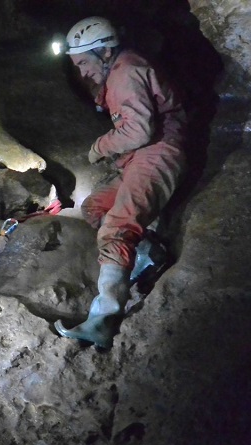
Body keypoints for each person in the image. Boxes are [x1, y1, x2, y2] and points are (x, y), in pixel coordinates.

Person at [54, 16, 187, 349]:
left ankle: (103, 321)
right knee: (95, 206)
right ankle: (149, 252)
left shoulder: (125, 71)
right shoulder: (118, 72)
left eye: (84, 62)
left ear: (105, 50)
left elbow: (139, 131)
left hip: (158, 153)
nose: (81, 71)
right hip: (142, 156)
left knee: (116, 225)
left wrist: (100, 147)